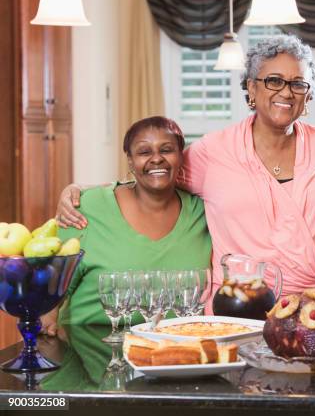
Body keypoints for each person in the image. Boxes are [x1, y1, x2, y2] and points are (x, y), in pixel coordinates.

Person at [55, 35, 315, 298]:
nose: (286, 92)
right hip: (237, 309)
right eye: (274, 81)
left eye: (298, 84)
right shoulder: (214, 151)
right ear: (251, 87)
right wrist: (86, 190)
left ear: (308, 95)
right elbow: (159, 173)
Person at [42, 116, 212, 333]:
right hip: (92, 348)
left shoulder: (202, 211)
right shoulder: (87, 207)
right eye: (144, 152)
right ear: (130, 161)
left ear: (181, 157)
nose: (156, 159)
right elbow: (51, 287)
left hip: (180, 349)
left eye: (167, 150)